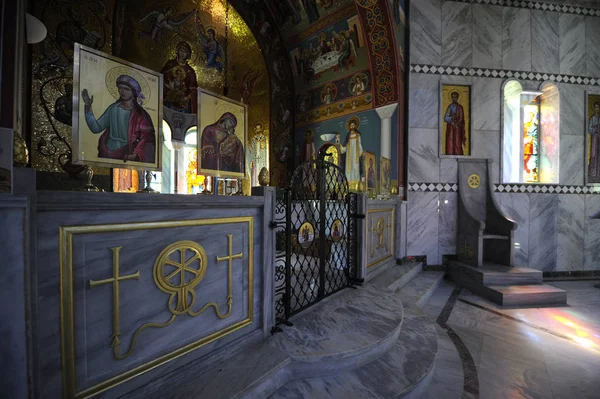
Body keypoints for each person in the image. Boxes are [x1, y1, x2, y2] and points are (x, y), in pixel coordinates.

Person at [82, 74, 156, 163]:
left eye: (126, 89)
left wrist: (136, 153)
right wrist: (88, 106)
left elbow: (147, 137)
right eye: (120, 88)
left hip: (127, 152)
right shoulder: (113, 108)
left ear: (133, 92)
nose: (122, 92)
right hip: (106, 151)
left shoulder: (140, 114)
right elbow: (96, 128)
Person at [161, 41, 198, 113]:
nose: (182, 54)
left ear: (188, 54)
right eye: (181, 50)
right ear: (177, 51)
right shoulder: (170, 64)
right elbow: (162, 78)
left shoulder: (190, 71)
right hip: (169, 99)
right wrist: (168, 88)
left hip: (182, 103)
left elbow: (193, 89)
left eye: (185, 52)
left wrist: (187, 97)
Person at [340, 116, 363, 183]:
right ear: (349, 126)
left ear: (355, 126)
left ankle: (356, 182)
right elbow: (346, 145)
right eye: (351, 125)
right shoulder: (348, 136)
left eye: (353, 125)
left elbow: (359, 144)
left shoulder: (358, 135)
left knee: (355, 167)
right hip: (349, 156)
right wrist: (342, 147)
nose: (352, 127)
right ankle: (348, 182)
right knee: (349, 168)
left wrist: (360, 152)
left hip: (355, 154)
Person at [589, 101, 600, 178]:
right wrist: (595, 129)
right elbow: (589, 128)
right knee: (593, 154)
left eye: (598, 107)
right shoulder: (592, 118)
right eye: (595, 107)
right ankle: (593, 172)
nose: (597, 109)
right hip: (594, 138)